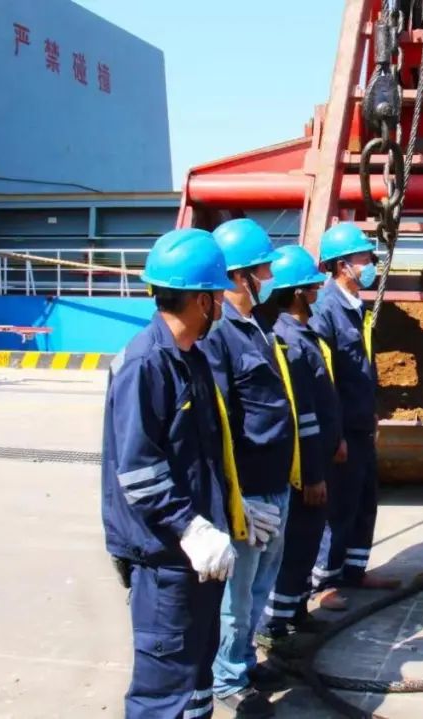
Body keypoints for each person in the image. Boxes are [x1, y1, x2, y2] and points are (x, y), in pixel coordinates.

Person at [102, 227, 267, 718]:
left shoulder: (190, 358)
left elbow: (204, 457)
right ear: (201, 300)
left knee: (195, 686)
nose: (222, 303)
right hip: (166, 560)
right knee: (164, 694)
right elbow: (138, 469)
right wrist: (190, 527)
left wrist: (233, 507)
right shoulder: (146, 364)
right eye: (217, 294)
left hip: (198, 556)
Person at [201, 218, 298, 717]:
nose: (269, 277)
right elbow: (218, 422)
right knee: (237, 596)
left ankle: (242, 661)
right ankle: (226, 679)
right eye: (263, 269)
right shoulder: (220, 335)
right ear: (240, 276)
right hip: (250, 490)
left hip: (275, 483)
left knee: (260, 585)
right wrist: (233, 498)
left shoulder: (255, 327)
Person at [255, 245, 342, 643]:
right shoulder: (288, 342)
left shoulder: (304, 336)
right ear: (295, 293)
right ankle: (273, 626)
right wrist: (311, 474)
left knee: (307, 543)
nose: (318, 291)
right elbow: (302, 414)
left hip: (318, 457)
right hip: (306, 467)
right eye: (312, 287)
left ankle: (296, 611)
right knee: (296, 546)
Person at [309, 222, 399, 593]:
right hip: (342, 428)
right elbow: (324, 379)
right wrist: (336, 435)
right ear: (341, 265)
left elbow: (362, 366)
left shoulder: (356, 308)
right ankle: (325, 582)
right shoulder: (325, 311)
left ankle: (354, 570)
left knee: (364, 500)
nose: (370, 265)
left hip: (361, 423)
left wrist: (371, 411)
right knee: (339, 506)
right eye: (363, 258)